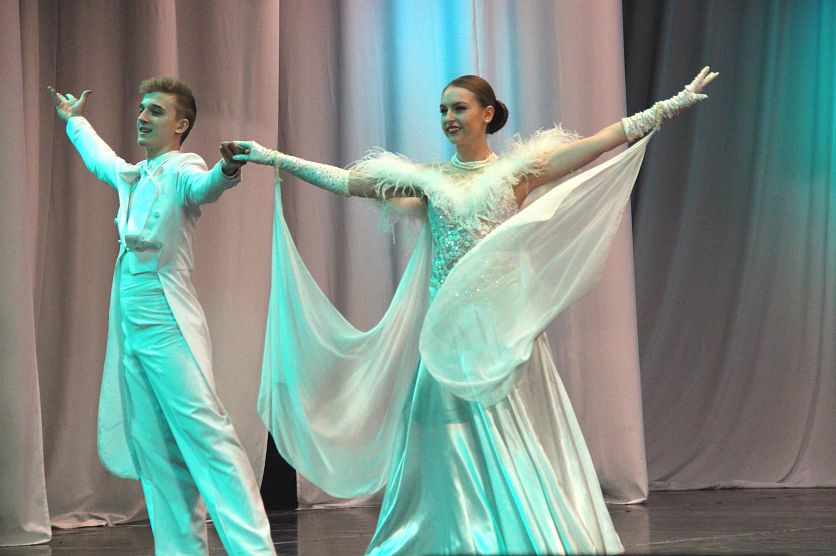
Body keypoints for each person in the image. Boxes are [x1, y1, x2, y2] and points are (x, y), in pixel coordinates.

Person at [236, 67, 717, 554]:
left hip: (500, 330)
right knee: (440, 435)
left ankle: (510, 530)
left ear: (487, 114)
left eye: (459, 108)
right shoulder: (427, 180)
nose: (449, 117)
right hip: (446, 332)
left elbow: (596, 144)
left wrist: (668, 106)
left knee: (510, 431)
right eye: (443, 110)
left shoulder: (517, 173)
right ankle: (451, 535)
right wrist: (273, 157)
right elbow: (348, 182)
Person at [48, 78, 275, 556]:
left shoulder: (182, 168)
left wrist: (227, 169)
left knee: (206, 434)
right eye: (142, 108)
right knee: (156, 449)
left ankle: (254, 549)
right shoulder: (134, 175)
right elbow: (101, 160)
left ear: (180, 125)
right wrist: (75, 121)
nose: (142, 116)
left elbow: (205, 187)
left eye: (155, 110)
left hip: (167, 318)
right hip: (131, 321)